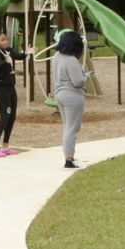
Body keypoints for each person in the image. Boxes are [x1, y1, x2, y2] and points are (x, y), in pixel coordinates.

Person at [51, 30, 88, 169]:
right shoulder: (72, 60)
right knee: (72, 128)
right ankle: (69, 160)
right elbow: (78, 81)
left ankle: (69, 156)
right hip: (72, 95)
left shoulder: (57, 56)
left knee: (67, 127)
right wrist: (87, 76)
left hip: (59, 94)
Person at [0, 28, 20, 155]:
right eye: (2, 40)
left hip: (11, 87)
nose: (5, 41)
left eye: (6, 39)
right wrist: (6, 62)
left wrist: (28, 53)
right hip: (1, 88)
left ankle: (5, 146)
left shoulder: (9, 51)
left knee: (12, 116)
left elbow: (18, 55)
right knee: (4, 116)